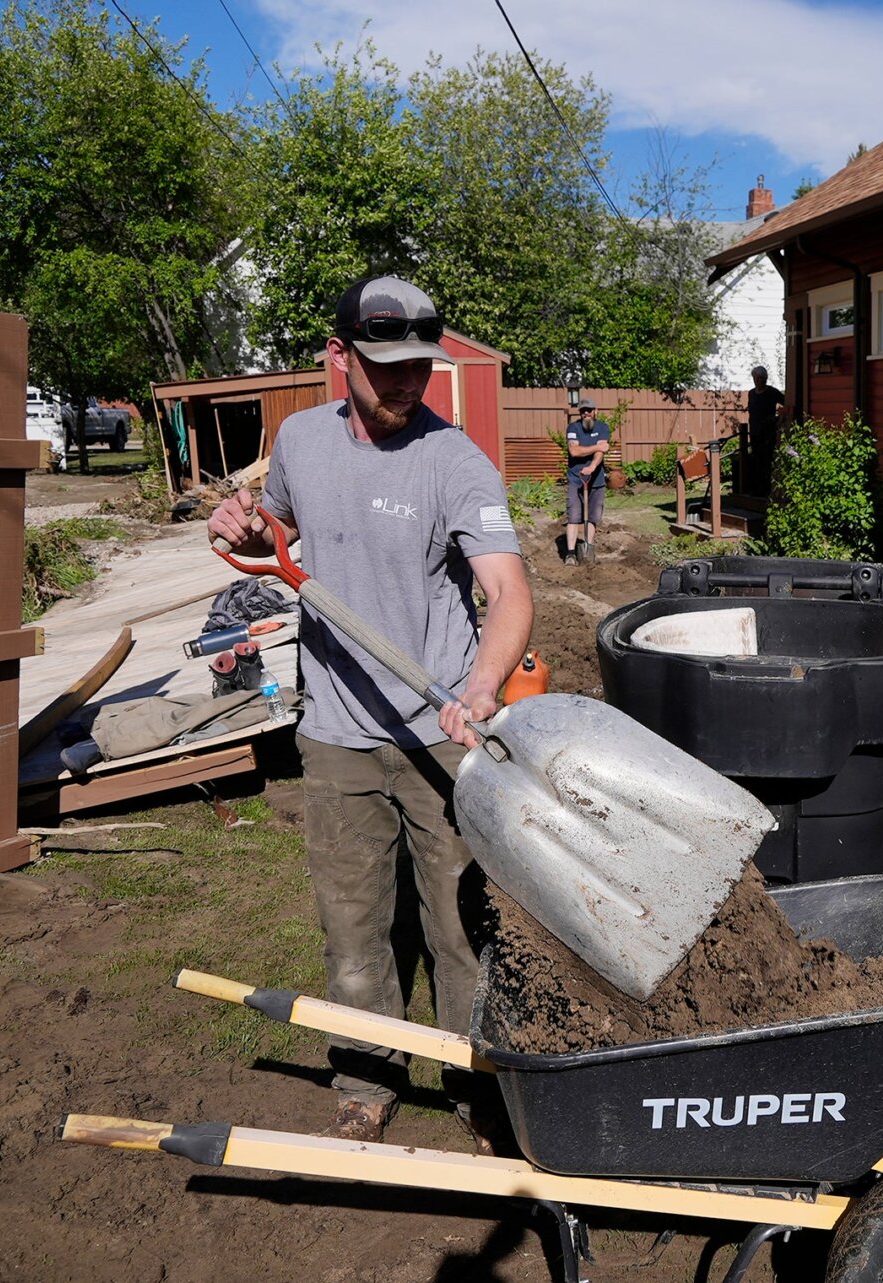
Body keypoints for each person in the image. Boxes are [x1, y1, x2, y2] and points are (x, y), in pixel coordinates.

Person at [207, 274, 532, 1147]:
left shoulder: (454, 460)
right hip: (337, 736)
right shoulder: (301, 440)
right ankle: (366, 1074)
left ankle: (479, 1076)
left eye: (418, 367)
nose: (403, 384)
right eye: (383, 365)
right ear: (337, 356)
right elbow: (261, 525)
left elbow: (507, 592)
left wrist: (480, 686)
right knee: (353, 923)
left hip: (440, 732)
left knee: (461, 926)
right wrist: (237, 522)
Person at [563, 397, 610, 565]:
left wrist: (592, 467)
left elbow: (600, 454)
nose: (586, 414)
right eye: (583, 411)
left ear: (595, 411)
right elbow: (574, 451)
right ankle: (570, 553)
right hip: (576, 480)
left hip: (596, 480)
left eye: (589, 410)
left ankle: (588, 547)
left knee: (593, 516)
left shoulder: (603, 427)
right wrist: (597, 447)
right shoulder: (573, 428)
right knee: (574, 516)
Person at [744, 365, 784, 495]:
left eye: (761, 378)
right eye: (756, 378)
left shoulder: (772, 392)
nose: (758, 380)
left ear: (765, 379)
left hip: (768, 433)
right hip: (755, 432)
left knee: (767, 460)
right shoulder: (751, 393)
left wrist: (777, 419)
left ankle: (768, 489)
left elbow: (787, 403)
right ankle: (757, 488)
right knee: (756, 460)